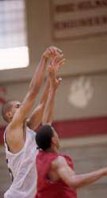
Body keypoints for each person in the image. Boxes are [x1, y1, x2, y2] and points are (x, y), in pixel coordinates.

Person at [1, 46, 65, 198]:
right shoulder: (12, 130)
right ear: (9, 114)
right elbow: (33, 92)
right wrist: (43, 59)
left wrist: (51, 81)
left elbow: (42, 105)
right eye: (18, 106)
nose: (22, 106)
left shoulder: (28, 128)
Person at [35, 125, 107, 198]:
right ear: (53, 140)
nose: (58, 136)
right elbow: (73, 181)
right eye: (56, 133)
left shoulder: (39, 157)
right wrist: (104, 171)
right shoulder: (58, 161)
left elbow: (45, 127)